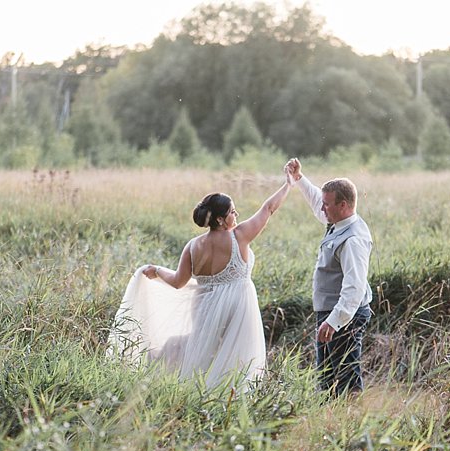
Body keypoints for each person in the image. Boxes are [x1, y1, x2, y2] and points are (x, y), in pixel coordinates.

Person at [110, 167, 293, 391]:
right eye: (233, 212)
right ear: (220, 219)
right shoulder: (239, 237)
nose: (237, 216)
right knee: (235, 360)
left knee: (206, 353)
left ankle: (195, 392)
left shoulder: (193, 246)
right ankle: (228, 400)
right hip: (237, 306)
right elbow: (269, 208)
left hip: (204, 306)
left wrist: (157, 270)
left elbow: (178, 281)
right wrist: (288, 184)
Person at [286, 158, 373, 397]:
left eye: (327, 205)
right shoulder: (339, 220)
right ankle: (332, 420)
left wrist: (334, 321)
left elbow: (354, 288)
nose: (322, 209)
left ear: (343, 204)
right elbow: (317, 201)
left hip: (344, 314)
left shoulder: (353, 240)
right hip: (332, 311)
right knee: (327, 377)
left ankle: (352, 423)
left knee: (345, 377)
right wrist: (299, 179)